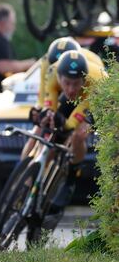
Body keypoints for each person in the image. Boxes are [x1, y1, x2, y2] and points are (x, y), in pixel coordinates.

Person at [38, 50, 107, 231]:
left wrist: (68, 126)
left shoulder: (94, 80)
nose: (70, 89)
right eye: (66, 83)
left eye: (75, 84)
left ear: (82, 81)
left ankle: (70, 178)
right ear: (59, 77)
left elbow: (75, 119)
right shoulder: (52, 72)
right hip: (78, 94)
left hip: (97, 97)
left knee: (77, 133)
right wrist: (49, 116)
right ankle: (38, 179)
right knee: (53, 132)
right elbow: (49, 102)